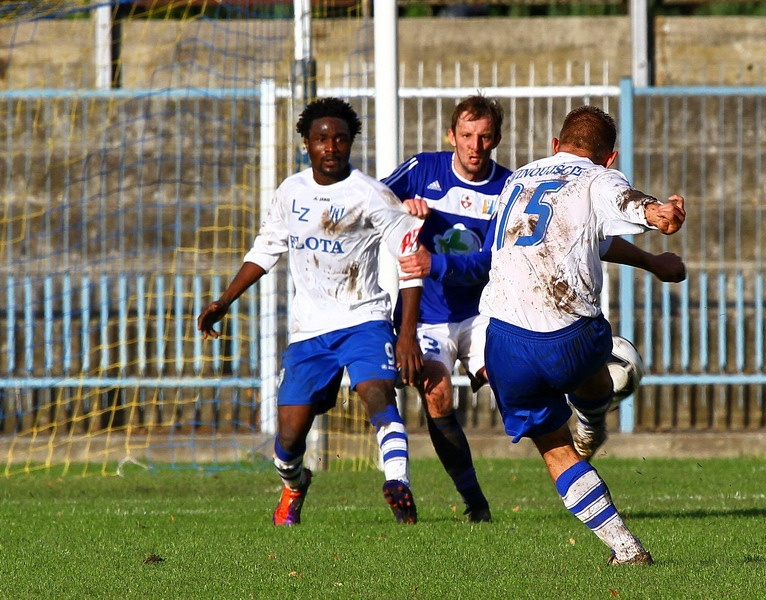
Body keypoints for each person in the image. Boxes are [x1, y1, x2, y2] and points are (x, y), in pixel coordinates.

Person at [197, 97, 426, 526]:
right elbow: (266, 249)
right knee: (287, 440)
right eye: (322, 138)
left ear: (351, 142)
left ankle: (398, 482)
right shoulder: (292, 191)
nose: (331, 146)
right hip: (309, 333)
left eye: (340, 138)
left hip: (364, 319)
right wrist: (224, 301)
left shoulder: (372, 194)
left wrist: (406, 333)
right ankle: (295, 485)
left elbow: (412, 262)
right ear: (306, 142)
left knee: (377, 394)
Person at [479, 105, 687, 565]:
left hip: (504, 341)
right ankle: (592, 418)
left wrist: (651, 262)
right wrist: (660, 214)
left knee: (554, 449)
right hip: (568, 333)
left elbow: (572, 237)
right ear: (609, 158)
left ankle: (626, 549)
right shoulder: (596, 178)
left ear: (555, 146)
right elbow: (626, 202)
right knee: (601, 357)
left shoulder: (516, 181)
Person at [381, 95, 511, 523]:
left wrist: (434, 262)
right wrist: (402, 207)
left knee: (512, 380)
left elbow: (490, 260)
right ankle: (476, 503)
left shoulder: (508, 188)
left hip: (481, 312)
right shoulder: (424, 170)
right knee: (436, 394)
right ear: (451, 135)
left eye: (485, 137)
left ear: (496, 139)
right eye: (467, 136)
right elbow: (373, 203)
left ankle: (575, 453)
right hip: (430, 316)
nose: (475, 146)